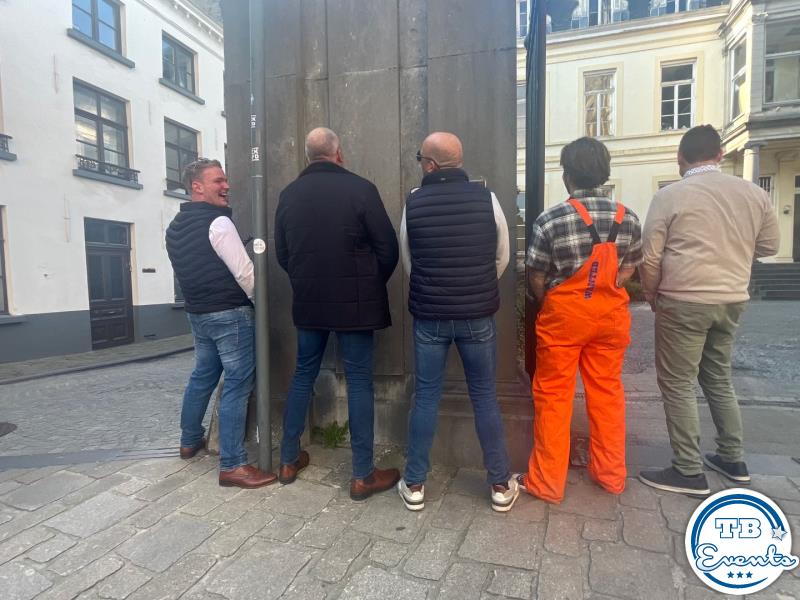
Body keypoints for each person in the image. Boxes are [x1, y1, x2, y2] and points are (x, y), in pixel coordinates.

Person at [638, 125, 780, 496]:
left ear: (680, 158)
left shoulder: (669, 196)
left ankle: (687, 470)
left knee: (678, 382)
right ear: (719, 155)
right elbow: (769, 246)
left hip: (683, 298)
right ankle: (733, 459)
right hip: (731, 298)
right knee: (717, 377)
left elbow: (650, 256)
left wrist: (651, 294)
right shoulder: (754, 194)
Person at [397, 131, 519, 513]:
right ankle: (500, 484)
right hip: (477, 316)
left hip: (430, 317)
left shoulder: (413, 203)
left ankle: (414, 483)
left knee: (426, 396)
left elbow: (408, 261)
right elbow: (502, 255)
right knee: (484, 395)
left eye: (421, 158)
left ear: (431, 165)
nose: (420, 164)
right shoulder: (488, 199)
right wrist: (478, 287)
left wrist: (434, 288)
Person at [275, 127, 400, 501]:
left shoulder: (289, 195)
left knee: (303, 374)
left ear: (307, 156)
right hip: (355, 304)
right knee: (359, 380)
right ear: (338, 153)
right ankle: (362, 475)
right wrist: (367, 284)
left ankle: (287, 460)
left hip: (309, 300)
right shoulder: (361, 189)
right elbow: (388, 248)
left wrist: (305, 280)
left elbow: (283, 254)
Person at [519, 137, 642, 504]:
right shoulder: (627, 217)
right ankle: (610, 475)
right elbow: (631, 267)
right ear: (605, 173)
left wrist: (549, 300)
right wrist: (611, 284)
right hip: (610, 318)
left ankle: (547, 482)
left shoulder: (550, 219)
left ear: (567, 175)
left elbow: (535, 274)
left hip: (564, 320)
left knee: (553, 396)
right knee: (607, 394)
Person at [166, 158, 276, 488]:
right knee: (237, 385)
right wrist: (262, 305)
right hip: (230, 314)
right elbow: (246, 273)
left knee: (202, 376)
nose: (226, 186)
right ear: (197, 187)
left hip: (198, 314)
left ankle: (189, 440)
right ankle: (233, 464)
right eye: (218, 181)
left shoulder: (174, 227)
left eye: (225, 180)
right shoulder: (218, 223)